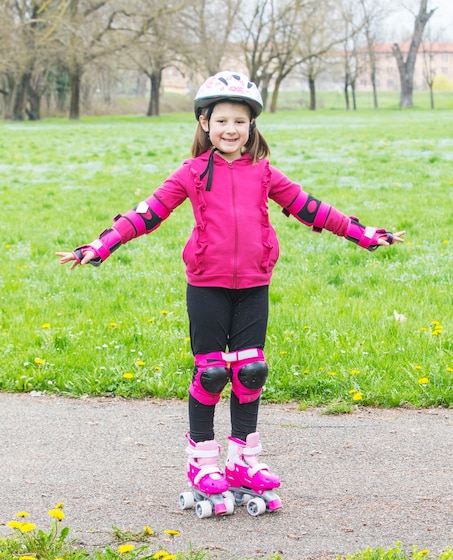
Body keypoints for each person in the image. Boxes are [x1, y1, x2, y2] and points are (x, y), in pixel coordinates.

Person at [57, 71, 405, 518]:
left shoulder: (263, 172)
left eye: (240, 121)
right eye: (221, 120)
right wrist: (100, 246)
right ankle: (202, 462)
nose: (230, 129)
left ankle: (243, 460)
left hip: (254, 284)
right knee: (211, 375)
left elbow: (309, 207)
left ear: (251, 126)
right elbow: (147, 213)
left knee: (251, 372)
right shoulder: (191, 173)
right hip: (207, 285)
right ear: (205, 122)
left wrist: (363, 234)